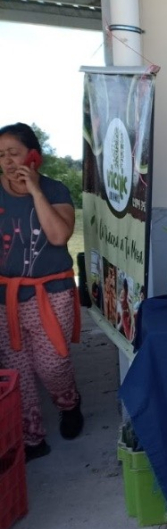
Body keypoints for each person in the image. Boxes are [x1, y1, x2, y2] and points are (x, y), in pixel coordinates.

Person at [0, 123, 83, 462]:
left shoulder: (56, 190)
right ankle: (32, 437)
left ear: (35, 155)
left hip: (52, 294)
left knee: (52, 365)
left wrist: (35, 191)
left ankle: (69, 403)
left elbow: (59, 236)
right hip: (6, 297)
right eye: (1, 155)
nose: (7, 161)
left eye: (14, 153)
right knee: (16, 368)